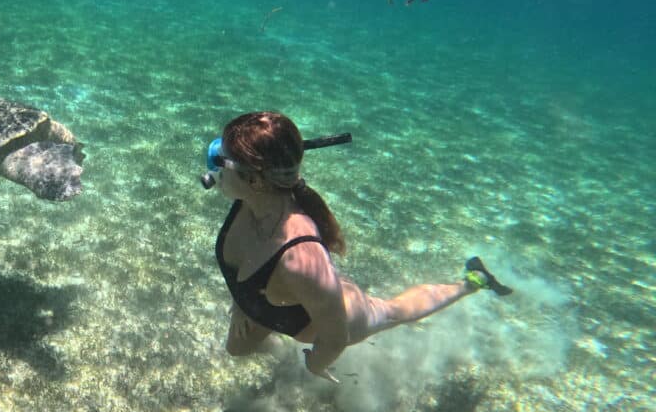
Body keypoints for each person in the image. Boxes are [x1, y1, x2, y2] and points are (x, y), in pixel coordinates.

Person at [210, 111, 512, 382]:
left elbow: (335, 336)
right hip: (274, 301)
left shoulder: (300, 260)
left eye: (222, 161)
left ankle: (473, 281)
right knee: (237, 349)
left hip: (335, 317)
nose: (214, 168)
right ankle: (272, 315)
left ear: (256, 182)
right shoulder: (248, 203)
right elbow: (245, 267)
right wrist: (241, 304)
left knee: (395, 311)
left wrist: (316, 365)